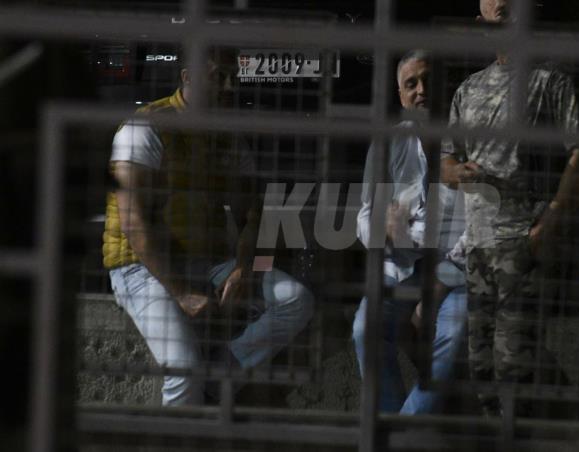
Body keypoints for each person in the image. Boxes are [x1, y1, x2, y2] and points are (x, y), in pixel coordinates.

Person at [103, 50, 313, 406]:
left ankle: (219, 378)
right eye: (218, 77)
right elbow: (133, 222)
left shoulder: (228, 137)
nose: (229, 87)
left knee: (297, 300)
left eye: (234, 78)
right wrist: (183, 293)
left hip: (210, 263)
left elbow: (254, 215)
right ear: (188, 78)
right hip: (139, 266)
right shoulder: (146, 126)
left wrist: (245, 269)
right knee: (184, 371)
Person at [440, 0, 579, 416]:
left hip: (523, 244)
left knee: (512, 367)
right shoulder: (468, 89)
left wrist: (549, 224)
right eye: (500, 14)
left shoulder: (551, 80)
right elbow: (446, 162)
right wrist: (459, 172)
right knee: (482, 368)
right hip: (479, 246)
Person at [352, 50, 468, 414]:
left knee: (454, 333)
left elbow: (481, 229)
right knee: (365, 330)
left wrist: (435, 291)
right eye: (411, 84)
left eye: (428, 81)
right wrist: (383, 227)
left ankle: (402, 428)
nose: (421, 91)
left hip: (456, 272)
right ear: (401, 96)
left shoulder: (470, 139)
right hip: (403, 267)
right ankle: (391, 420)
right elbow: (363, 217)